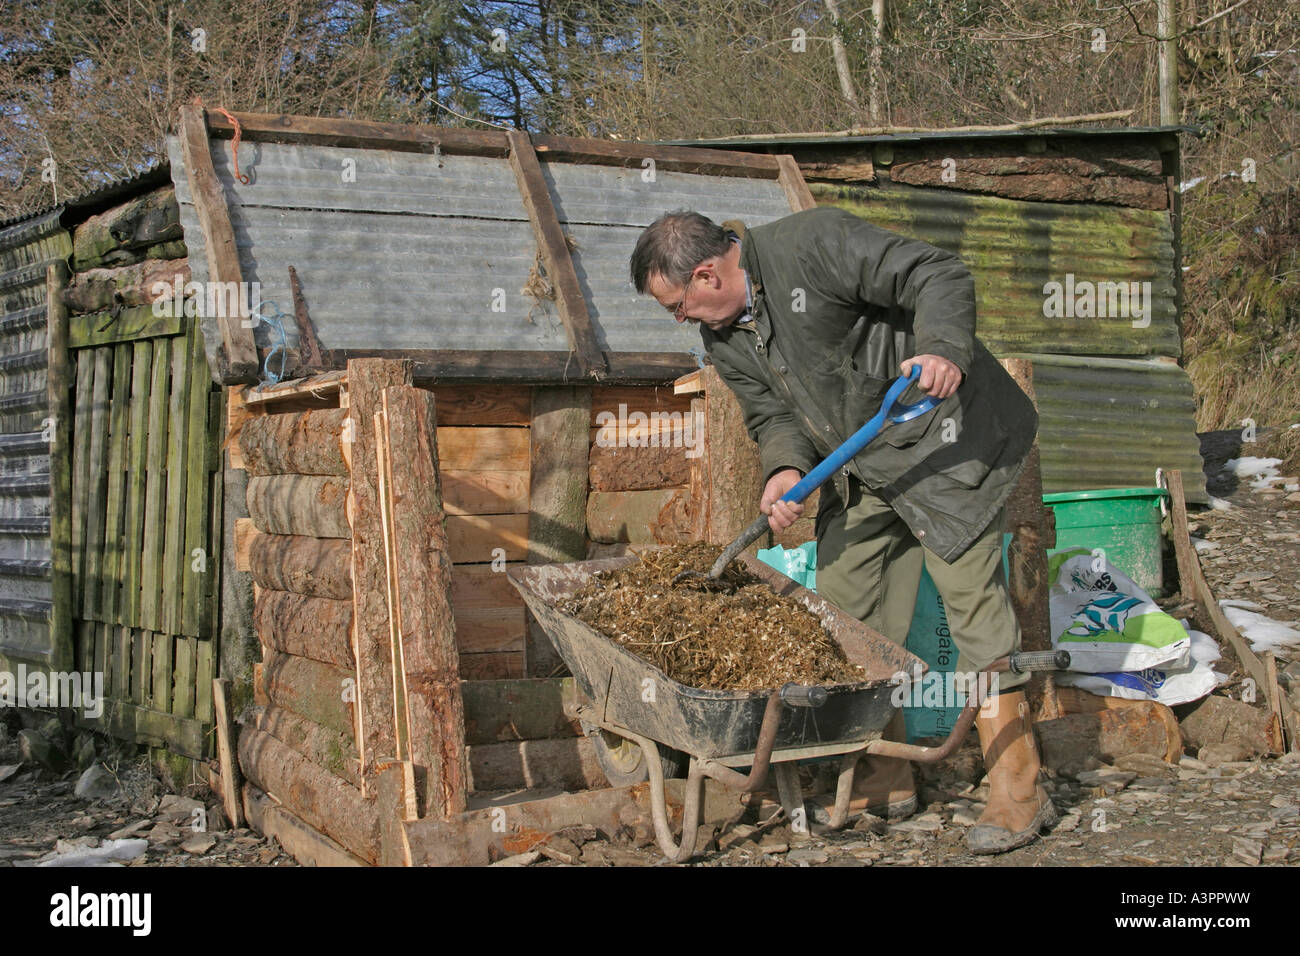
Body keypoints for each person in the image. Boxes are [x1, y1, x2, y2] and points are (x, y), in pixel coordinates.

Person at [629, 206, 1056, 854]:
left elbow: (935, 272)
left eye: (676, 304)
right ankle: (885, 771)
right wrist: (785, 470)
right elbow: (772, 414)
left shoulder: (813, 245)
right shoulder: (724, 340)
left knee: (975, 614)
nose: (679, 319)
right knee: (849, 617)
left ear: (709, 274)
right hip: (865, 471)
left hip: (945, 448)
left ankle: (1020, 786)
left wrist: (940, 344)